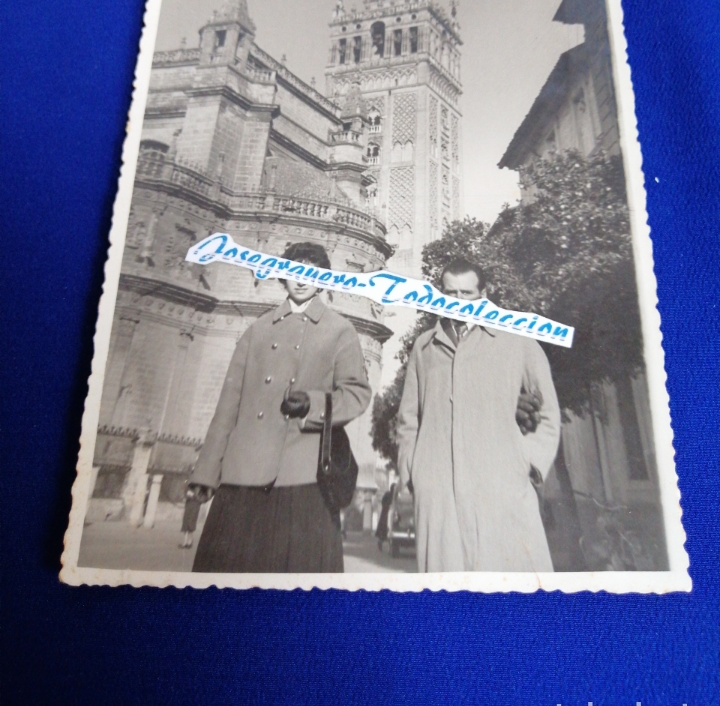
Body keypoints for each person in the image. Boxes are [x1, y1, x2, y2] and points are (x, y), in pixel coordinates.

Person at [187, 242, 371, 573]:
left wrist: (313, 403)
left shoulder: (340, 331)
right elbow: (227, 405)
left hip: (302, 477)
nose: (301, 280)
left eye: (310, 273)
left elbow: (357, 394)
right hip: (244, 474)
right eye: (293, 271)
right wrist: (206, 470)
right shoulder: (257, 330)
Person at [396, 257, 561, 572]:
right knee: (448, 588)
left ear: (483, 294)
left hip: (501, 488)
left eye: (467, 294)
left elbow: (548, 411)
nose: (458, 302)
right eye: (450, 293)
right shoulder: (424, 347)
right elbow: (408, 420)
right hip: (438, 492)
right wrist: (413, 473)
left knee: (509, 584)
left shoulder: (516, 337)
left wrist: (529, 463)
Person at [375, 483, 396, 551]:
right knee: (384, 531)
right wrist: (387, 506)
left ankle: (391, 547)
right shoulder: (388, 494)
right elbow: (383, 502)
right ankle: (380, 542)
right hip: (386, 515)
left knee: (392, 530)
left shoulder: (396, 495)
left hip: (393, 515)